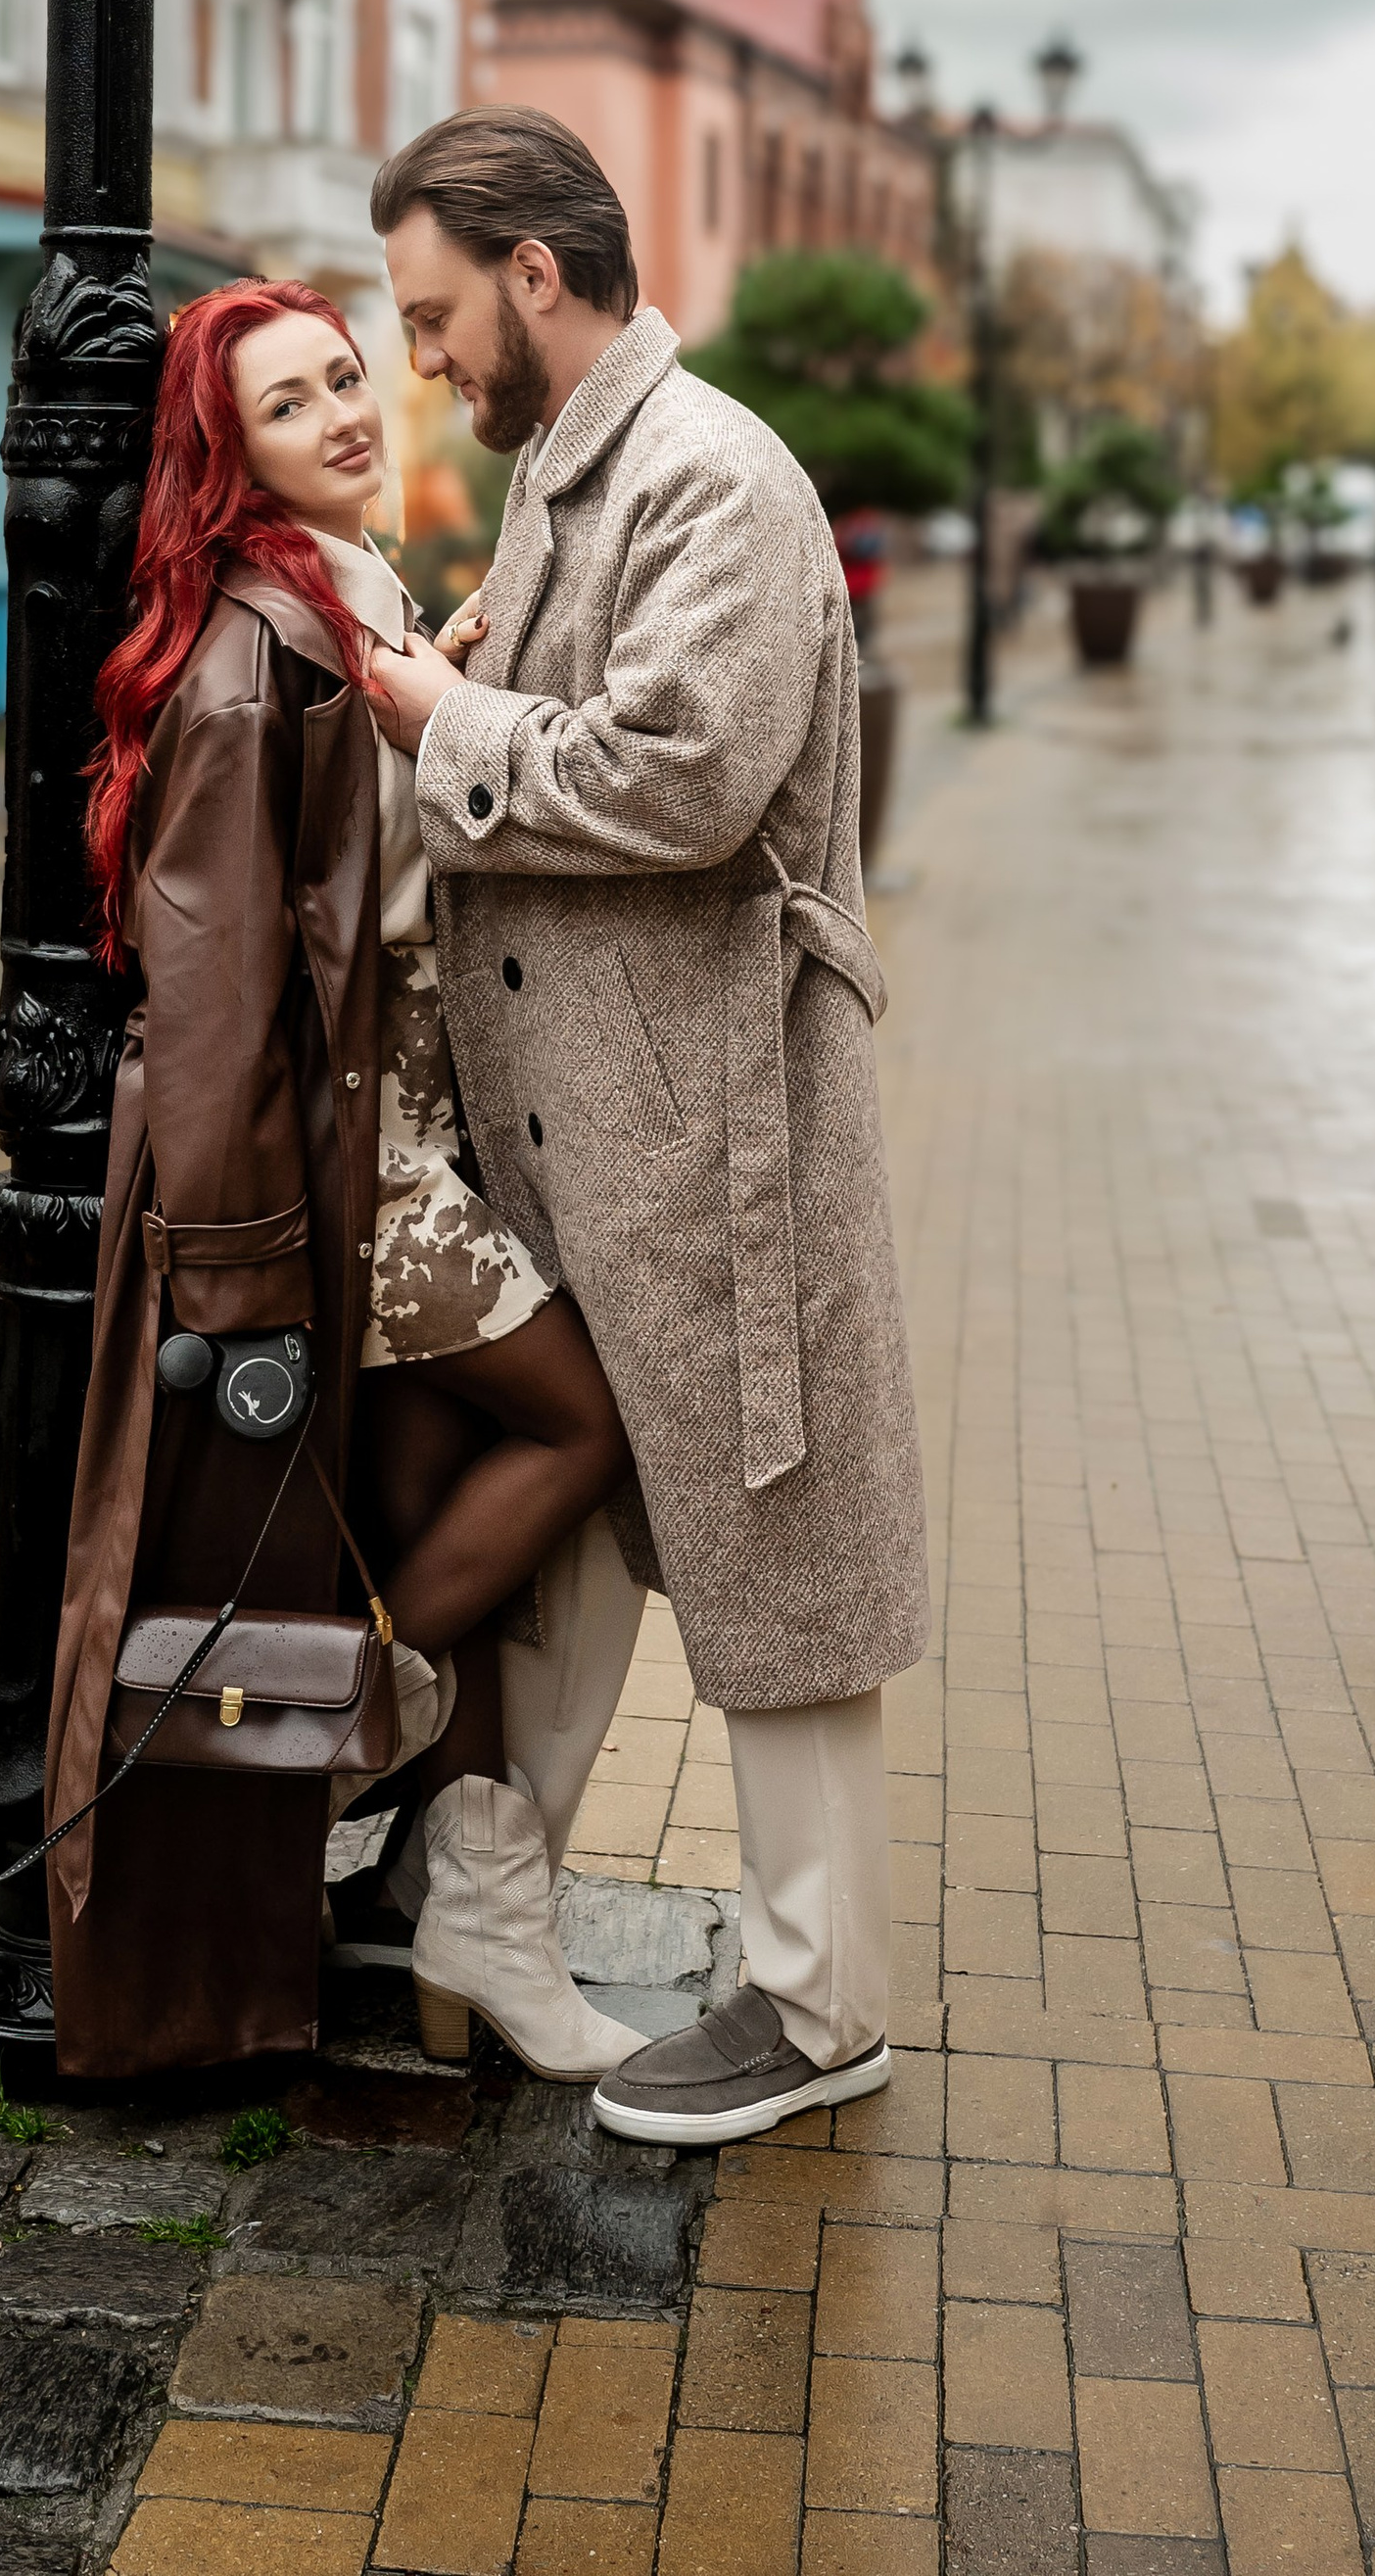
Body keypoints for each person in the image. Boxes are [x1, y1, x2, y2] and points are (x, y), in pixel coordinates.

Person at [364, 107, 932, 2148]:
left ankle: (818, 2003)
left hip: (708, 1138)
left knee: (771, 1547)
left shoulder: (706, 475)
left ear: (534, 268)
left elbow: (683, 777)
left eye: (431, 312)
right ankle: (483, 1897)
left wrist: (445, 726)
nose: (418, 356)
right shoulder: (559, 478)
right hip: (592, 1128)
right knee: (587, 1522)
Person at [43, 279, 646, 2083]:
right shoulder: (248, 658)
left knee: (426, 1477)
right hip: (349, 1177)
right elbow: (217, 991)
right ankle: (362, 1698)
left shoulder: (349, 591)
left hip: (410, 1134)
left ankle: (460, 1899)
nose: (341, 412)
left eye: (342, 376)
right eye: (288, 405)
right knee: (575, 1424)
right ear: (226, 458)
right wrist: (232, 1272)